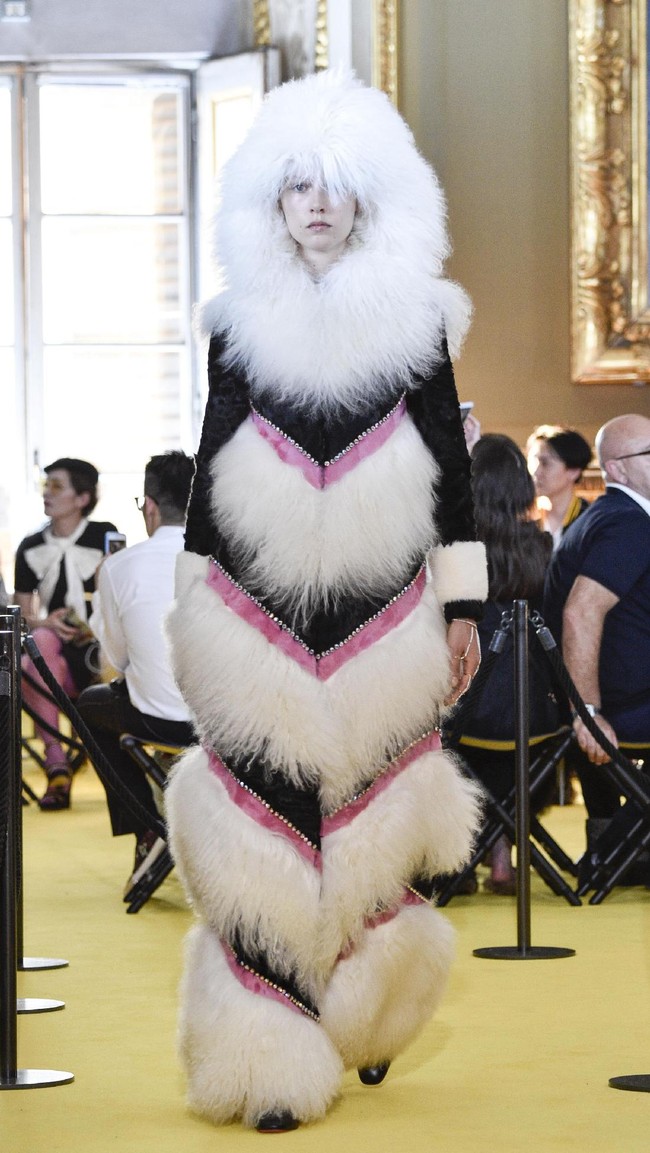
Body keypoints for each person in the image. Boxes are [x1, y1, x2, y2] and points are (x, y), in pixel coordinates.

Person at [164, 70, 487, 1133]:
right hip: (249, 617)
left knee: (368, 814)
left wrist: (461, 605)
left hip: (382, 614)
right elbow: (213, 468)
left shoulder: (416, 326)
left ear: (368, 199)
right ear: (271, 198)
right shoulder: (236, 324)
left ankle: (361, 1007)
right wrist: (189, 600)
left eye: (333, 185)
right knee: (259, 823)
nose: (314, 203)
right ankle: (265, 1053)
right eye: (295, 183)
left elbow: (446, 470)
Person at [76, 451, 195, 897]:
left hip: (157, 718)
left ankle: (145, 827)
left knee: (90, 707)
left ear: (149, 505)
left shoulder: (120, 567)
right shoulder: (232, 560)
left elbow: (116, 662)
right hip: (230, 729)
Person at [453, 435, 556, 893]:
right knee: (517, 760)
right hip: (536, 710)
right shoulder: (542, 547)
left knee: (453, 750)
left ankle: (461, 858)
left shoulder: (456, 552)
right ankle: (501, 857)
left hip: (465, 706)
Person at [543, 413, 650, 821]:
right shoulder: (628, 522)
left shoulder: (605, 515)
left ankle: (616, 848)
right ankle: (621, 845)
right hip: (621, 704)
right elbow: (580, 613)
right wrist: (587, 713)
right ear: (617, 466)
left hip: (617, 693)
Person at [14, 457, 117, 810]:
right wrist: (48, 623)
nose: (47, 493)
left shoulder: (105, 535)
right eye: (46, 486)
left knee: (37, 658)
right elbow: (22, 618)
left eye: (57, 486)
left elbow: (121, 597)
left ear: (82, 498)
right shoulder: (29, 546)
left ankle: (65, 760)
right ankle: (56, 762)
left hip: (100, 648)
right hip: (52, 652)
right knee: (37, 646)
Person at [526, 424, 593, 548]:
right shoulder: (526, 519)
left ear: (573, 471)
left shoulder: (590, 521)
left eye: (545, 463)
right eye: (533, 461)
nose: (536, 471)